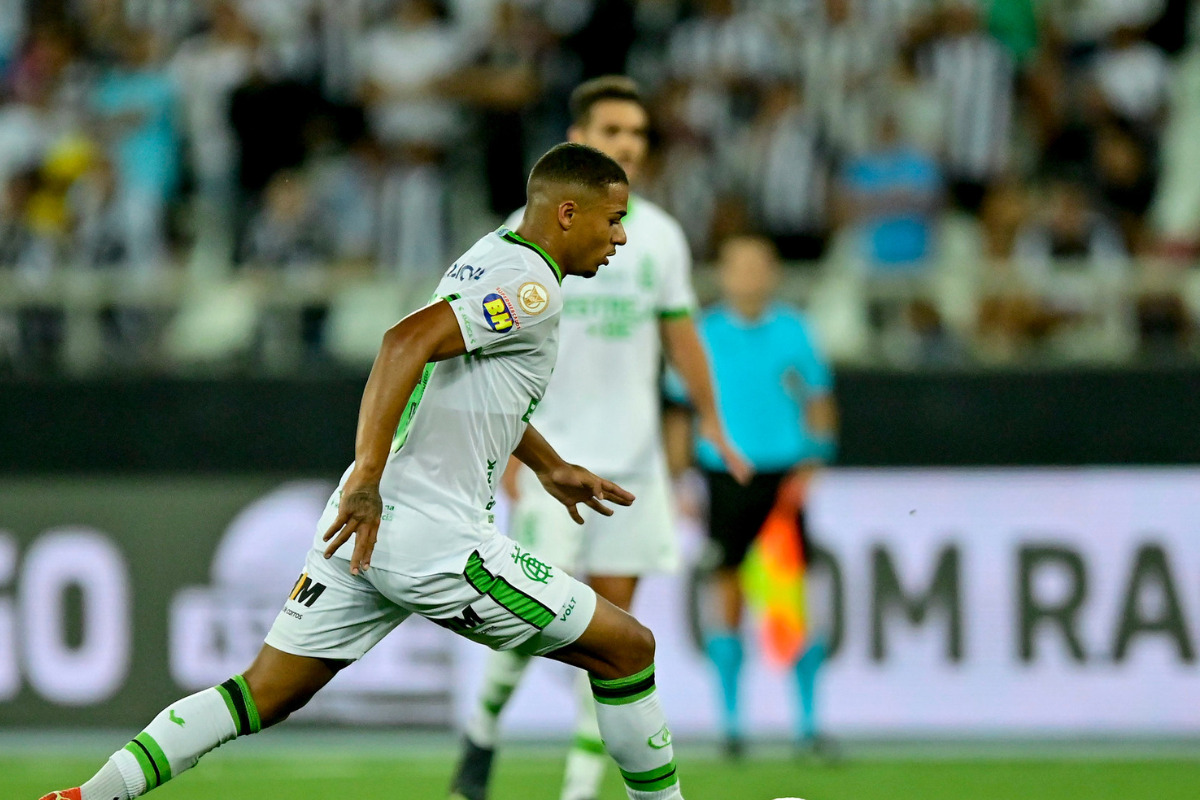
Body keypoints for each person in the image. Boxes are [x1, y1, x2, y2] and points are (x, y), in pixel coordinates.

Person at [39, 143, 692, 800]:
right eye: (613, 219)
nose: (620, 236)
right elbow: (402, 343)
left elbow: (466, 389)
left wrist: (550, 468)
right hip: (435, 540)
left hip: (367, 532)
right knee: (627, 647)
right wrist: (367, 481)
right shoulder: (531, 288)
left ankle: (87, 797)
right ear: (568, 213)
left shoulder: (490, 251)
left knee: (258, 694)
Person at [451, 76, 748, 800]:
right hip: (555, 462)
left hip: (634, 468)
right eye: (615, 132)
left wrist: (714, 425)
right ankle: (482, 731)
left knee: (611, 641)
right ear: (579, 139)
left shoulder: (661, 239)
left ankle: (579, 791)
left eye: (640, 136)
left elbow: (683, 339)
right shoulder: (530, 235)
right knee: (527, 630)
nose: (630, 147)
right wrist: (512, 450)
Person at [666, 234, 837, 758]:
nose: (749, 278)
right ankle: (732, 727)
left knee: (788, 601)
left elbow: (820, 399)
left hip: (780, 477)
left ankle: (807, 728)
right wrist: (679, 478)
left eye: (759, 267)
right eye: (739, 267)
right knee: (728, 594)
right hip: (723, 476)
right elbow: (679, 409)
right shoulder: (702, 333)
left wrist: (815, 459)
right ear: (723, 273)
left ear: (774, 273)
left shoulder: (794, 330)